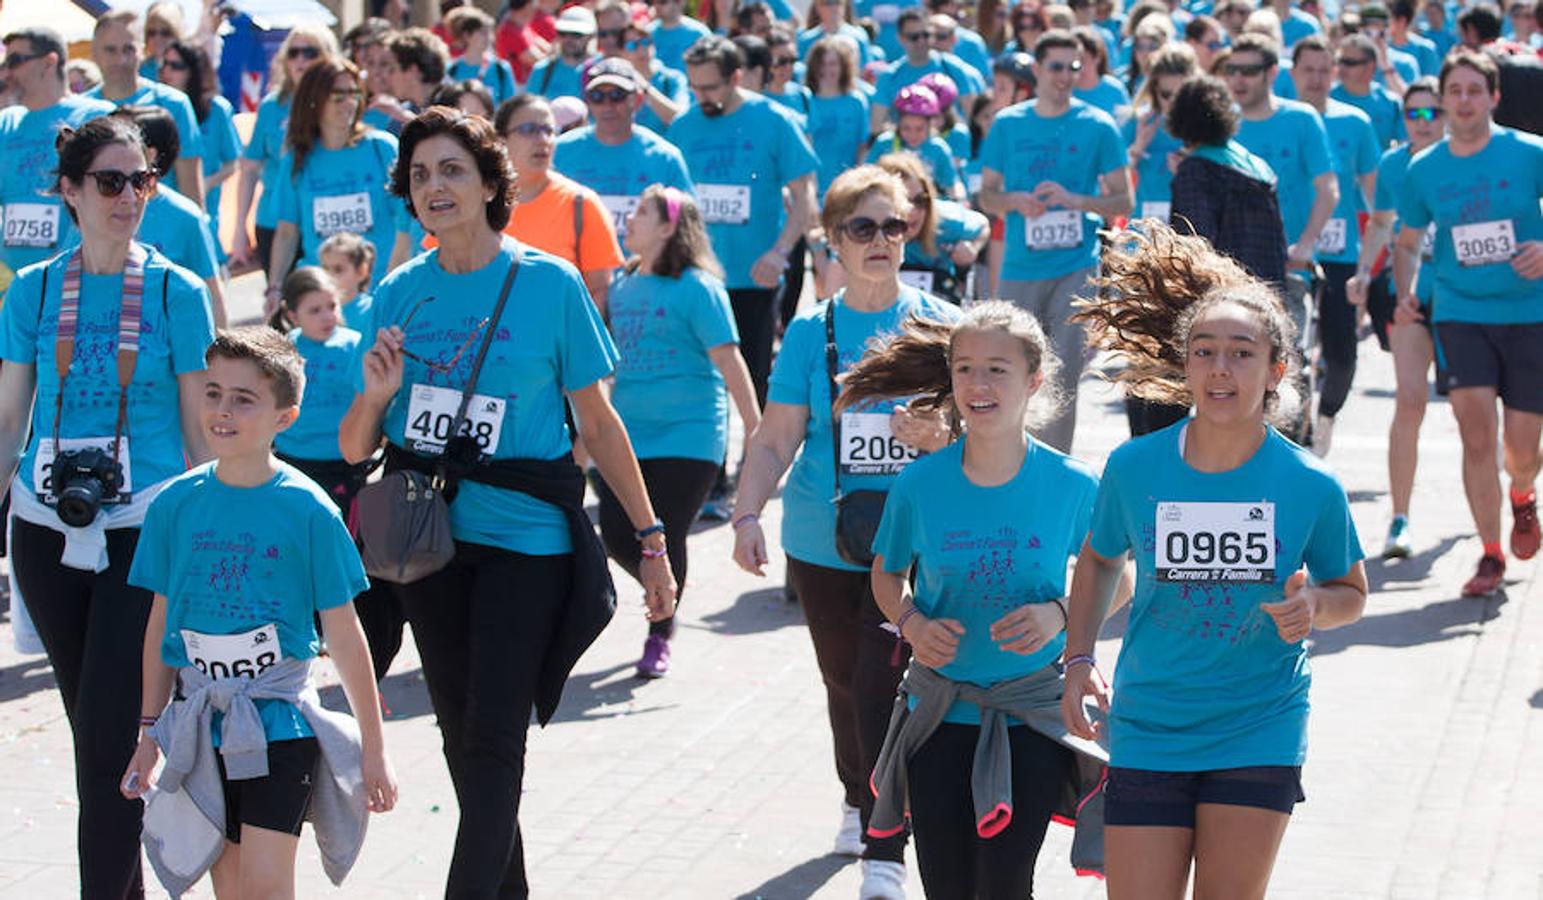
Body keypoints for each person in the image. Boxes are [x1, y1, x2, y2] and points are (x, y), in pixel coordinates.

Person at [339, 106, 675, 897]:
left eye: (452, 169)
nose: (434, 187)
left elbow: (597, 419)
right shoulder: (397, 294)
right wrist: (375, 394)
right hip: (428, 546)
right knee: (464, 741)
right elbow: (357, 447)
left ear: (493, 183)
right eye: (419, 175)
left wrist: (650, 536)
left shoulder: (547, 284)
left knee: (494, 741)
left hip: (526, 542)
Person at [1064, 221, 1368, 900]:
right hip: (1148, 720)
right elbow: (1097, 560)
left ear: (1275, 370)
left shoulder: (1309, 484)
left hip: (1257, 722)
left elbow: (1350, 590)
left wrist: (1316, 606)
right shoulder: (1135, 467)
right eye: (1204, 353)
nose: (1220, 369)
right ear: (1185, 365)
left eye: (1240, 353)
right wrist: (1078, 661)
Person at [730, 165, 960, 900]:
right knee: (842, 683)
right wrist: (743, 513)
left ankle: (885, 843)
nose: (880, 241)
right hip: (822, 536)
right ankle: (856, 793)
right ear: (833, 241)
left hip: (915, 543)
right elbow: (775, 437)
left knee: (882, 681)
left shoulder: (942, 323)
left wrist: (941, 433)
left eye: (893, 226)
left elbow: (986, 433)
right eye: (862, 228)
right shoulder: (811, 330)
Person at [0, 115, 215, 899]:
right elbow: (7, 418)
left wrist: (219, 534)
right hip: (45, 527)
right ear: (69, 190)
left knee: (107, 738)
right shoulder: (34, 288)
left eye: (143, 181)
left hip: (143, 531)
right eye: (110, 182)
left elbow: (200, 430)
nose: (130, 197)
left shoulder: (174, 289)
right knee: (94, 729)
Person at [119, 327, 398, 897]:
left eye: (243, 399)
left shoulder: (308, 509)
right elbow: (160, 627)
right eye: (213, 391)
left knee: (267, 890)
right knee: (232, 889)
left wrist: (374, 750)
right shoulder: (174, 504)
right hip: (200, 725)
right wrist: (148, 732)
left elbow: (345, 636)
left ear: (284, 417)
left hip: (278, 724)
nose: (222, 410)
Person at [844, 300, 1110, 900]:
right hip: (937, 712)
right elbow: (886, 578)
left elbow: (1119, 576)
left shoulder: (1073, 484)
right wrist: (911, 621)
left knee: (1005, 885)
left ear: (1034, 380)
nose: (978, 384)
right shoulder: (920, 482)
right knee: (947, 886)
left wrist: (1061, 614)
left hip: (1030, 715)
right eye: (964, 368)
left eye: (997, 369)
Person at [1391, 49, 1543, 596]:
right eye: (1454, 91)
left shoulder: (1529, 154)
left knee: (1522, 448)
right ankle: (1491, 553)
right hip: (1460, 313)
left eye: (1474, 90)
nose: (1463, 100)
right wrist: (1405, 294)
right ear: (1443, 99)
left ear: (1494, 97)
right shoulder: (1423, 170)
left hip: (1530, 313)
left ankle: (1523, 494)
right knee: (1476, 435)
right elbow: (1406, 243)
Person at [602, 186, 761, 677]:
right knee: (614, 534)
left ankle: (659, 633)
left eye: (643, 212)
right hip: (629, 433)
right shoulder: (621, 284)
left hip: (690, 435)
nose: (630, 218)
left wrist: (756, 430)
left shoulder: (698, 287)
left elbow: (729, 361)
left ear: (670, 226)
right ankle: (664, 591)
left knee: (663, 534)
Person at [977, 29, 1131, 454]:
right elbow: (986, 194)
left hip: (1075, 266)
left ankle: (1056, 469)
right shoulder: (1009, 124)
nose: (1066, 76)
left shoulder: (1097, 126)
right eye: (1057, 67)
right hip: (1019, 268)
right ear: (1039, 69)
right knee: (1007, 366)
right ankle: (1007, 458)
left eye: (1074, 68)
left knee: (1062, 375)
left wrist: (1075, 200)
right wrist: (1013, 201)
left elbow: (1123, 198)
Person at [672, 36, 819, 407]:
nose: (701, 96)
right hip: (697, 278)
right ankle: (711, 466)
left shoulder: (774, 120)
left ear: (736, 77)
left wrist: (780, 253)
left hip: (755, 276)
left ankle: (755, 460)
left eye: (710, 87)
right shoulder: (683, 126)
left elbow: (804, 199)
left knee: (754, 384)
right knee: (700, 387)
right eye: (694, 87)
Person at [1345, 77, 1444, 559]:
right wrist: (1366, 272)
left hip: (1475, 301)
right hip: (1411, 297)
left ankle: (1516, 485)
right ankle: (1399, 518)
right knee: (1409, 401)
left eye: (1432, 114)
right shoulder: (1392, 162)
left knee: (1490, 418)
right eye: (1413, 114)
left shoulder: (1467, 159)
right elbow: (1382, 222)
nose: (1422, 123)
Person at [1291, 35, 1380, 455]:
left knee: (1343, 356)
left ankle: (1326, 414)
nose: (1317, 78)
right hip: (1291, 254)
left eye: (1325, 70)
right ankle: (1297, 431)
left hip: (1340, 254)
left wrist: (1372, 256)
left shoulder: (1356, 122)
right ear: (1291, 73)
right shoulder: (1280, 117)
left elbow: (1377, 197)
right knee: (1292, 352)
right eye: (1308, 69)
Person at [266, 58, 412, 313]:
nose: (349, 102)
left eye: (354, 93)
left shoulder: (382, 148)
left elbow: (406, 223)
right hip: (320, 301)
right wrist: (275, 287)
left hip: (377, 295)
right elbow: (287, 232)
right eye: (338, 95)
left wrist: (396, 282)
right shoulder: (297, 158)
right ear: (315, 99)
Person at [1225, 33, 1338, 340]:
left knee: (1289, 369)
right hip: (1231, 274)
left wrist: (1306, 244)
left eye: (1248, 71)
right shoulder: (1221, 122)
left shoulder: (1302, 118)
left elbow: (1328, 189)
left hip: (1288, 269)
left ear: (1272, 73)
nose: (1239, 79)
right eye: (1232, 70)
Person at [488, 94, 624, 311]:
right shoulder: (476, 203)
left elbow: (599, 291)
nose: (543, 139)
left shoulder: (582, 204)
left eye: (549, 130)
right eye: (528, 129)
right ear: (501, 140)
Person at [0, 27, 115, 283]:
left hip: (78, 278)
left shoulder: (97, 116)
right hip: (11, 286)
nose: (7, 71)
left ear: (48, 62)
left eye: (15, 61)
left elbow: (110, 197)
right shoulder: (6, 122)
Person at [231, 24, 336, 276]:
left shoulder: (339, 101)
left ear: (327, 56)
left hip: (325, 221)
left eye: (310, 52)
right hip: (274, 220)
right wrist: (238, 230)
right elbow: (249, 170)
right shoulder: (272, 105)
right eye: (293, 52)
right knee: (283, 304)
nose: (300, 60)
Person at [552, 57, 695, 241]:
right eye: (597, 96)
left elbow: (688, 229)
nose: (607, 105)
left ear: (637, 100)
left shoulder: (665, 157)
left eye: (617, 95)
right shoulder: (559, 151)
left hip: (642, 269)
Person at [112, 105, 229, 329]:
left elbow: (211, 291)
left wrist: (222, 358)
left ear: (150, 153)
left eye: (125, 139)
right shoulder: (97, 206)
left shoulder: (186, 216)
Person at [87, 10, 205, 209]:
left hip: (161, 231)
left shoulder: (173, 104)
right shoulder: (80, 109)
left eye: (128, 49)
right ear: (94, 53)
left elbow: (191, 188)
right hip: (102, 232)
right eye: (110, 50)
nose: (120, 59)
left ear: (142, 50)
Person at [156, 41, 240, 272]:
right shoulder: (156, 109)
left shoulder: (217, 109)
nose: (167, 71)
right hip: (163, 215)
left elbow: (233, 163)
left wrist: (205, 183)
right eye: (164, 64)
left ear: (194, 71)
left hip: (205, 214)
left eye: (176, 65)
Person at [876, 152, 987, 305]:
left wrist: (972, 249)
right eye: (903, 202)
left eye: (921, 200)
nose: (914, 211)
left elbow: (983, 225)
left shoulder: (946, 221)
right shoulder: (863, 233)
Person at [872, 8, 982, 131]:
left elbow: (974, 118)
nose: (921, 41)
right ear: (900, 38)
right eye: (914, 37)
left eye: (926, 35)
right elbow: (877, 126)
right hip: (906, 148)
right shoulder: (890, 76)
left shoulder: (952, 68)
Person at [1125, 43, 1198, 225]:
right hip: (1144, 228)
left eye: (1180, 95)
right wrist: (1137, 148)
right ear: (1154, 90)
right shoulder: (1138, 121)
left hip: (1190, 225)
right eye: (1166, 95)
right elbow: (1111, 184)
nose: (1173, 103)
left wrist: (1189, 168)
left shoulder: (1204, 124)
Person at [865, 83, 964, 199]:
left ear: (930, 125)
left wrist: (958, 199)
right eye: (906, 128)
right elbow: (868, 175)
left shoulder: (938, 148)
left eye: (919, 129)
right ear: (897, 124)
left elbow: (951, 184)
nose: (913, 135)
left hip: (925, 205)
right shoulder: (885, 143)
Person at [805, 36, 872, 199]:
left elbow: (862, 148)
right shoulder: (805, 100)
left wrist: (859, 184)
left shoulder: (856, 101)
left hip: (845, 190)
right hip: (813, 190)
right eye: (822, 64)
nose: (827, 69)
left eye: (833, 64)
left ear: (843, 66)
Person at [1330, 32, 1406, 149]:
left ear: (1370, 66)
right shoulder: (1327, 99)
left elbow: (1403, 146)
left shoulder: (1391, 103)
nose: (1342, 68)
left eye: (1350, 63)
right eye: (1339, 61)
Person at [446, 6, 519, 107]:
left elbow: (510, 107)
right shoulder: (451, 70)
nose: (489, 38)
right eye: (483, 33)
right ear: (467, 35)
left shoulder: (501, 69)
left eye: (490, 33)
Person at [531, 7, 599, 99]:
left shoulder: (600, 69)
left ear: (591, 36)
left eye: (576, 34)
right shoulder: (542, 69)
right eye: (563, 33)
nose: (568, 39)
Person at [1073, 23, 1133, 121]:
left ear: (1097, 58)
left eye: (1082, 60)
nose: (1077, 66)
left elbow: (1126, 127)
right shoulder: (1064, 89)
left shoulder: (1115, 89)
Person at [799, 0, 878, 67]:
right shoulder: (806, 39)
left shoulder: (859, 37)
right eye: (828, 3)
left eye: (837, 2)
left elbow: (866, 71)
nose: (834, 8)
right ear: (817, 7)